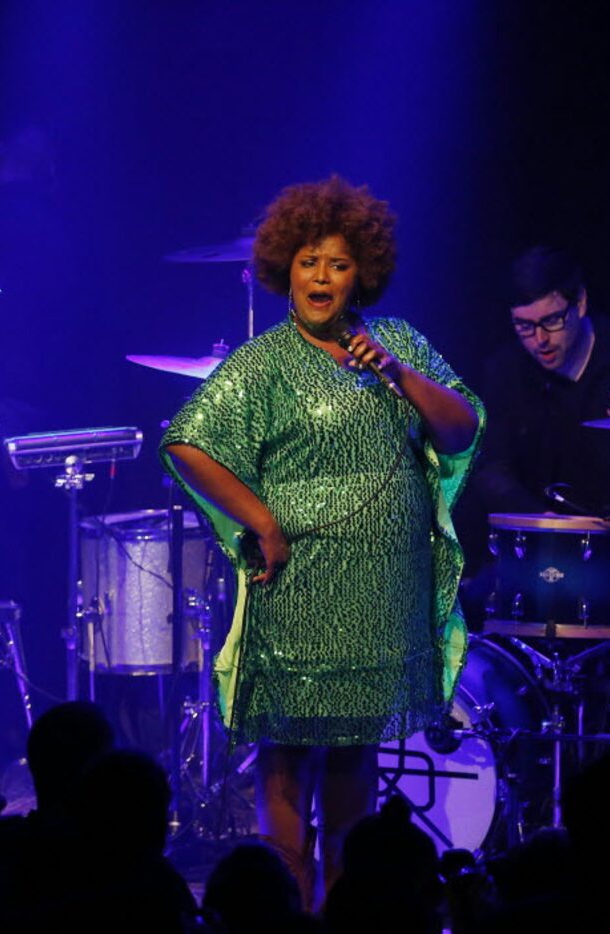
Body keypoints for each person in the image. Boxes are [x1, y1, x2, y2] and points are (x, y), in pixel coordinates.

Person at [161, 175, 482, 910]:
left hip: (379, 589)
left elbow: (460, 429)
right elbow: (187, 445)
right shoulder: (262, 363)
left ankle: (348, 910)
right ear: (284, 269)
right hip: (299, 581)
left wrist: (396, 375)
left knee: (353, 760)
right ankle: (283, 907)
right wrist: (263, 522)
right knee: (287, 755)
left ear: (360, 272)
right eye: (309, 262)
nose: (322, 277)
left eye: (338, 264)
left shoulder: (396, 342)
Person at [466, 246, 610, 520]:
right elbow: (492, 469)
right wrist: (539, 519)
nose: (540, 339)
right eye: (524, 326)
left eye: (552, 320)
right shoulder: (506, 370)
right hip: (542, 544)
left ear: (580, 303)